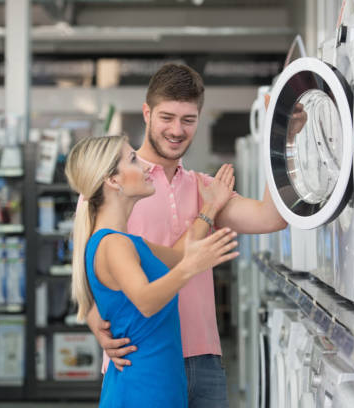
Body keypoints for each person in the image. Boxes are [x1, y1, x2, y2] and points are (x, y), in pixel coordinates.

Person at [85, 63, 288, 408]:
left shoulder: (205, 188)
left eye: (188, 120)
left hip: (204, 360)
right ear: (147, 113)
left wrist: (282, 135)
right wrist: (94, 321)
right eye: (167, 117)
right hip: (140, 358)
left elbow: (272, 217)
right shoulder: (113, 184)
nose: (177, 130)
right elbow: (85, 267)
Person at [65, 135, 240, 407]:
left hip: (159, 385)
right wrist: (192, 266)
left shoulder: (130, 243)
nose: (147, 167)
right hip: (142, 391)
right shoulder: (113, 244)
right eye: (133, 159)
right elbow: (146, 300)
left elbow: (177, 254)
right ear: (113, 180)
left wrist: (211, 207)